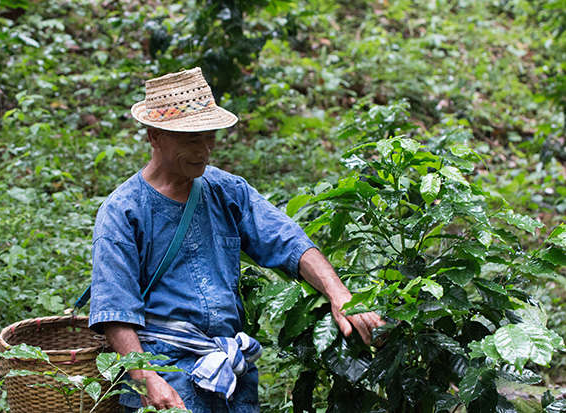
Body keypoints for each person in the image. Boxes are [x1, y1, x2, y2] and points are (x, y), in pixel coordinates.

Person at [88, 67, 384, 413]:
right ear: (155, 136)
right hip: (166, 374)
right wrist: (147, 380)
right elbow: (115, 309)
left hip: (230, 371)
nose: (205, 150)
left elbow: (287, 240)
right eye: (191, 139)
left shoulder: (226, 190)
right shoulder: (123, 211)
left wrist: (339, 294)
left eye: (209, 136)